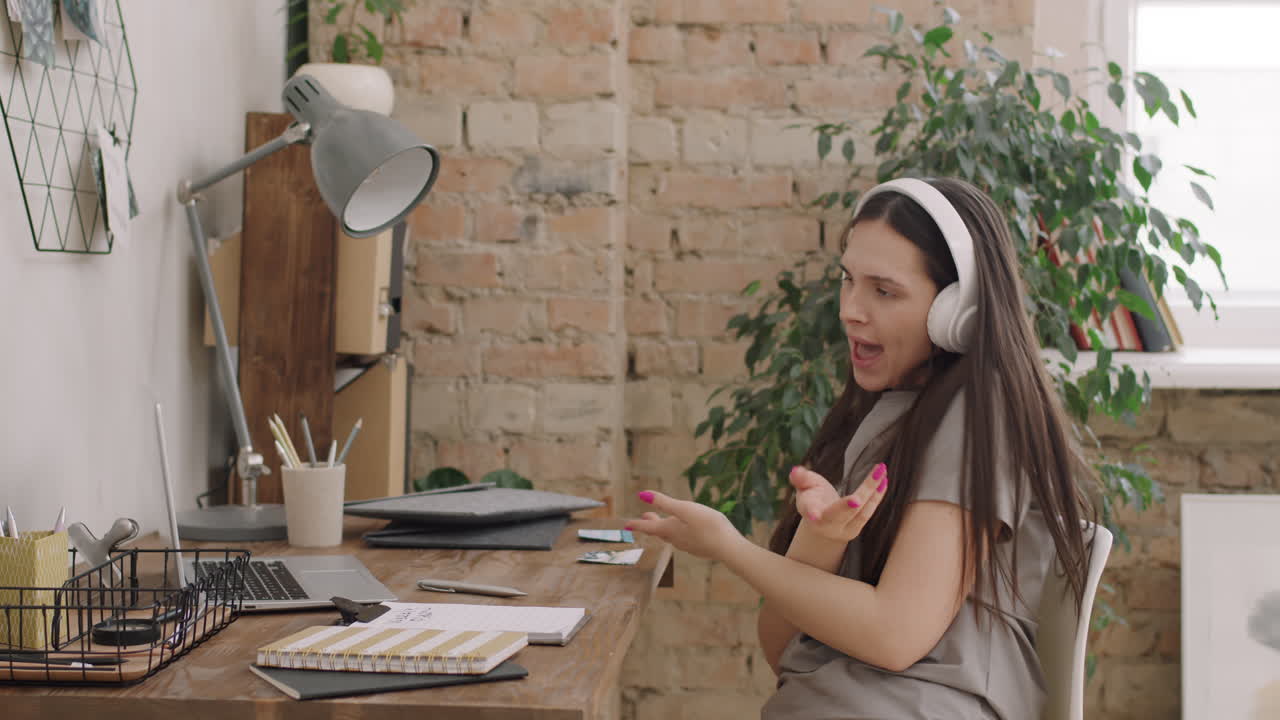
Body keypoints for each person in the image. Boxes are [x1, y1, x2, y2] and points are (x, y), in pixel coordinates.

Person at [626, 177, 1095, 719]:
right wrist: (819, 541)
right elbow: (784, 651)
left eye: (884, 290)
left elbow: (896, 634)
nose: (851, 308)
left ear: (956, 311)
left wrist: (729, 548)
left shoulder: (976, 415)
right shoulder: (887, 413)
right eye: (848, 281)